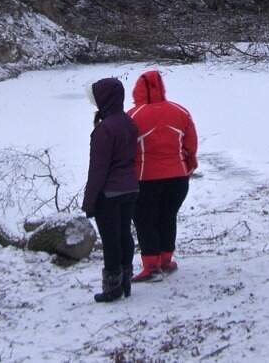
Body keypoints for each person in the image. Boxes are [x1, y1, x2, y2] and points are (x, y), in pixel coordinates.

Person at [126, 69, 198, 282]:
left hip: (145, 178)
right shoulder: (180, 111)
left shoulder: (133, 116)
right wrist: (189, 165)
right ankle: (166, 260)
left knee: (145, 221)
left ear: (138, 90)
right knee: (167, 216)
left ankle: (151, 266)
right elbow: (191, 144)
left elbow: (126, 148)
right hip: (177, 177)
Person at [83, 76, 139, 303]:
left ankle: (113, 286)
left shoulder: (104, 130)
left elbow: (98, 170)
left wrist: (89, 201)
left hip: (110, 192)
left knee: (111, 239)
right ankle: (125, 280)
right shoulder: (129, 122)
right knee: (124, 233)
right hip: (130, 188)